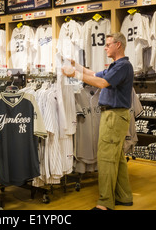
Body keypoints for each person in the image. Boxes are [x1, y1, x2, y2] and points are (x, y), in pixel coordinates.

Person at [61, 32, 134, 210]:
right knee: (117, 158)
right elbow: (94, 73)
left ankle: (105, 203)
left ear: (118, 45)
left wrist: (75, 76)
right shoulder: (116, 66)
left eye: (108, 44)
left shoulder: (123, 66)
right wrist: (76, 65)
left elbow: (100, 83)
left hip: (114, 116)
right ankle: (123, 196)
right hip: (115, 115)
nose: (105, 47)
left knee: (106, 158)